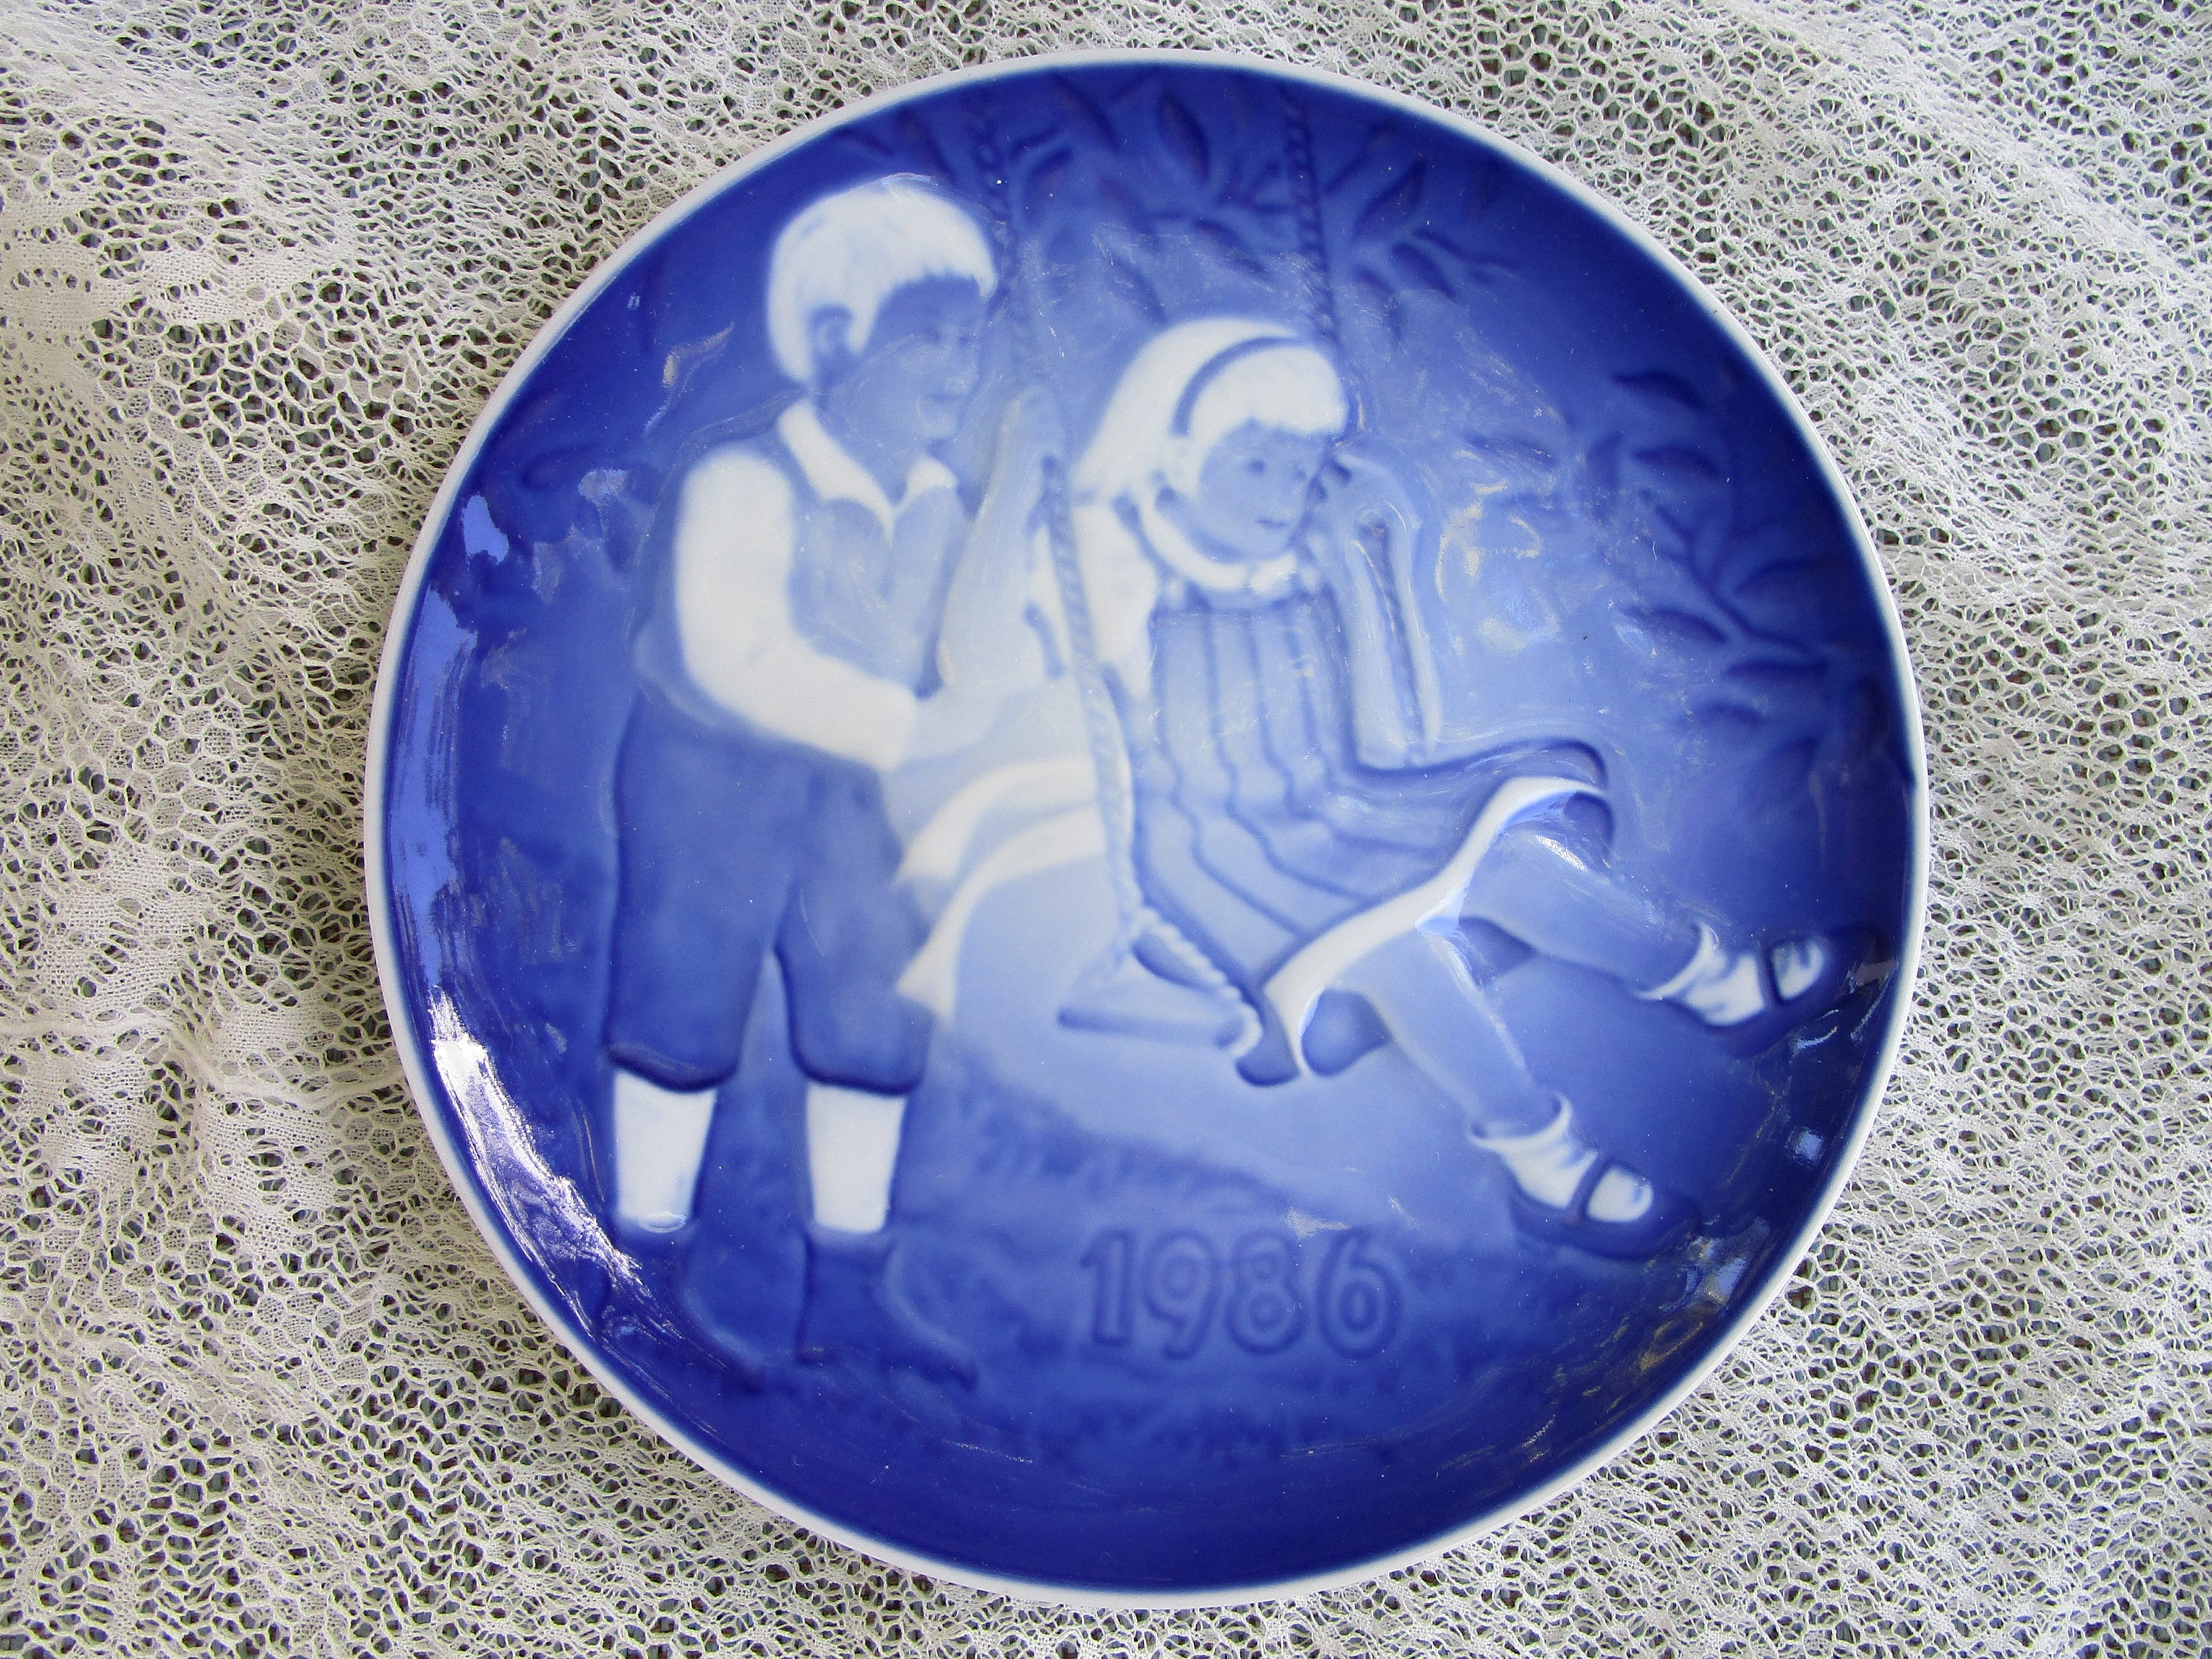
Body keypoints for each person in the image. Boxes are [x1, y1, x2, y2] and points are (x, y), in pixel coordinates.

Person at [993, 317, 1868, 1258]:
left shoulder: (1298, 576)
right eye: (1254, 464)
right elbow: (1007, 667)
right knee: (1401, 953)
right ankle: (1545, 1161)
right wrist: (1021, 503)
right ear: (1176, 457)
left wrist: (1378, 565)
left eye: (1299, 471)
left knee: (1515, 865)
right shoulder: (1126, 585)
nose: (1281, 495)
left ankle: (1717, 984)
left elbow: (1390, 739)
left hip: (1341, 809)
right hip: (1229, 864)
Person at [602, 175, 1049, 1378]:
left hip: (859, 797)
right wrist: (915, 727)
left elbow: (984, 643)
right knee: (686, 999)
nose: (958, 368)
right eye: (929, 341)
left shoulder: (942, 499)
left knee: (873, 1007)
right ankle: (640, 1266)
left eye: (971, 342)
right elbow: (739, 657)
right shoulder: (743, 482)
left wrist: (1018, 493)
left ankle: (846, 1287)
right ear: (842, 339)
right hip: (715, 787)